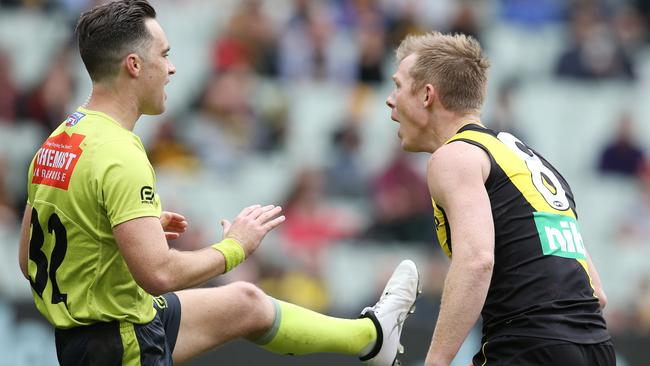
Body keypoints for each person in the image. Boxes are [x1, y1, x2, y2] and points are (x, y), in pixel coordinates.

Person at [17, 1, 420, 365]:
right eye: (165, 55)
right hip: (122, 341)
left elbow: (28, 259)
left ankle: (372, 337)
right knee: (237, 290)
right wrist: (234, 249)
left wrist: (119, 233)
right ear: (134, 65)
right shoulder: (121, 152)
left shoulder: (59, 140)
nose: (172, 68)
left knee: (244, 302)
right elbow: (158, 275)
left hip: (90, 331)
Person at [385, 31, 615, 366]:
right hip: (596, 349)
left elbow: (477, 260)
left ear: (426, 95)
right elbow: (596, 292)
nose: (390, 99)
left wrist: (435, 361)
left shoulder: (455, 157)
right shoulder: (528, 161)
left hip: (527, 346)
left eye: (398, 85)